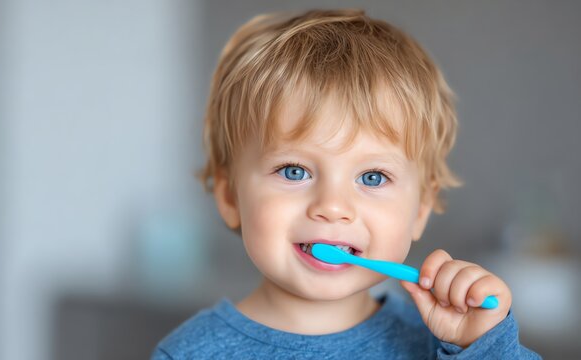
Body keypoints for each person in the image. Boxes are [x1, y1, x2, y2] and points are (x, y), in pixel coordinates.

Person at [152, 8, 541, 359]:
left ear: (421, 208)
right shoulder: (188, 353)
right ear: (229, 196)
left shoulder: (450, 342)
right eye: (294, 171)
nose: (333, 206)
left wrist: (484, 347)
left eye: (372, 177)